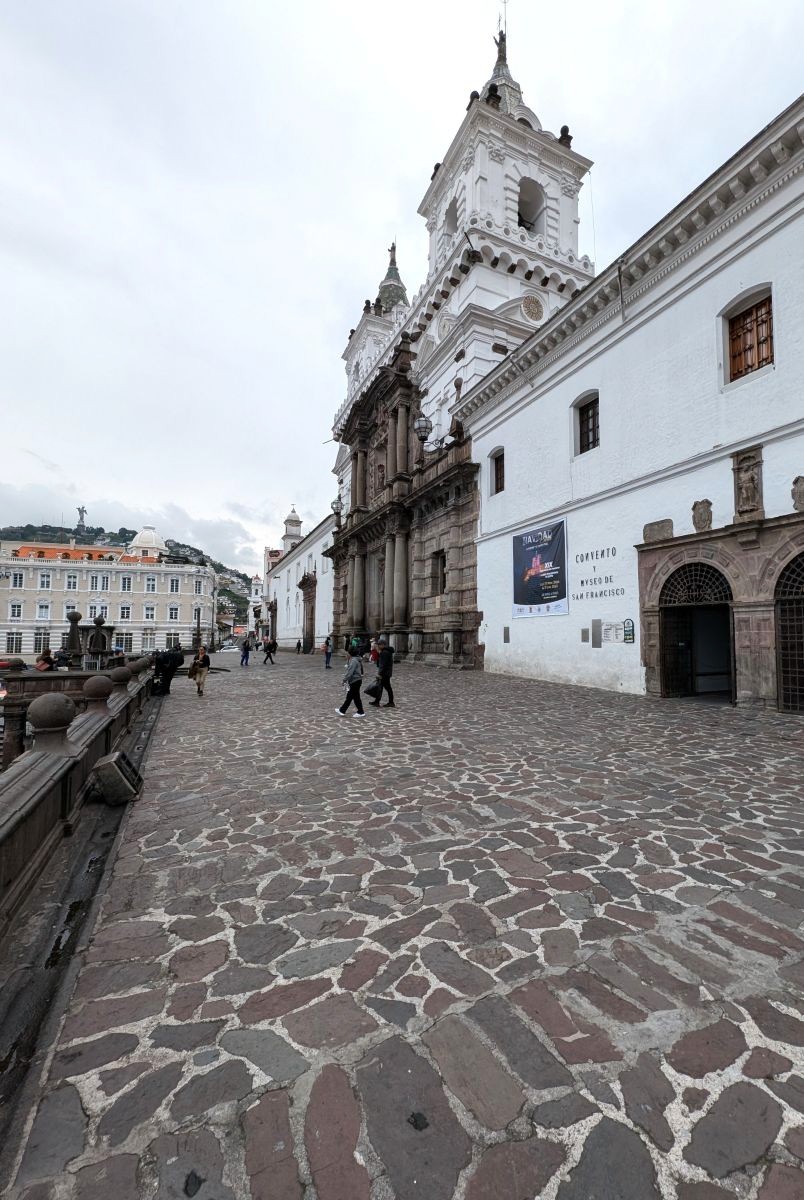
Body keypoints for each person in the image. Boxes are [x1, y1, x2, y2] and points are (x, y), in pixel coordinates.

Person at [336, 645, 365, 717]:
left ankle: (343, 710)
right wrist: (348, 659)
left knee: (350, 697)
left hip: (355, 681)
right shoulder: (354, 659)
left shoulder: (354, 661)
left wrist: (344, 680)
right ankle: (360, 711)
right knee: (356, 697)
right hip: (356, 680)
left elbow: (350, 672)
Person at [370, 636, 395, 708]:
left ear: (383, 645)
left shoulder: (385, 653)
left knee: (387, 688)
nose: (378, 646)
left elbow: (383, 665)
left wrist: (380, 674)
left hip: (385, 674)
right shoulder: (385, 652)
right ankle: (377, 701)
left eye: (379, 645)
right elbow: (380, 663)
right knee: (380, 687)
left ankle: (391, 702)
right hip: (386, 673)